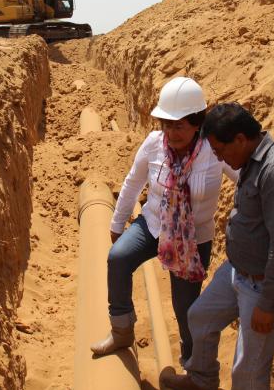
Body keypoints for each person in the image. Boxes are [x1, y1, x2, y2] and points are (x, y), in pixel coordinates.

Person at [91, 77, 238, 365]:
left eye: (178, 125)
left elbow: (245, 178)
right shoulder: (154, 144)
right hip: (153, 224)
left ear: (197, 123)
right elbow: (132, 183)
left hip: (193, 239)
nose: (171, 132)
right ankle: (121, 331)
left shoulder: (214, 151)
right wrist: (117, 225)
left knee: (185, 307)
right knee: (118, 258)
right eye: (166, 124)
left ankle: (191, 362)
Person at [162, 103, 274, 390]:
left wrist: (267, 304)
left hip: (263, 286)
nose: (219, 158)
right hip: (237, 272)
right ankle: (201, 381)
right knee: (200, 317)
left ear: (240, 139)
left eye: (220, 151)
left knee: (247, 371)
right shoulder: (250, 160)